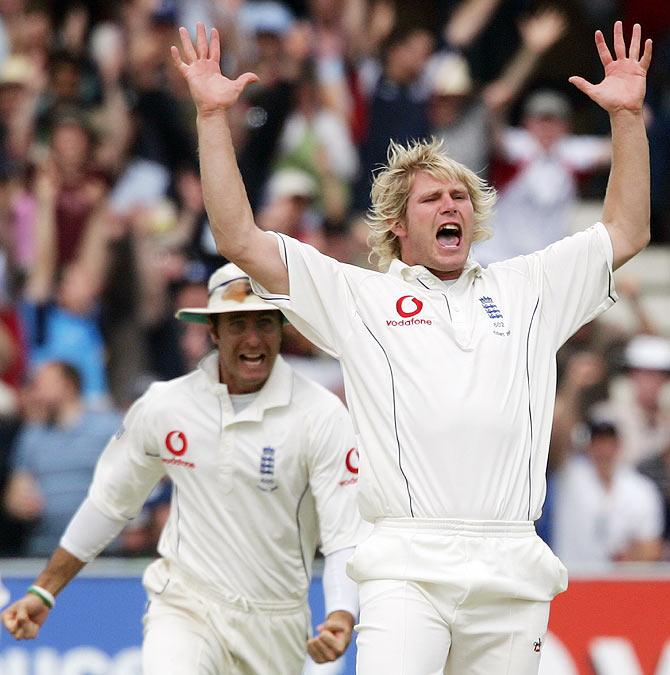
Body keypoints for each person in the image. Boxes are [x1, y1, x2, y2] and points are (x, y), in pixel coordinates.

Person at [171, 20, 652, 674]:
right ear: (398, 224)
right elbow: (239, 238)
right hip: (407, 563)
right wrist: (210, 117)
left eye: (459, 195)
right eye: (432, 197)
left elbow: (626, 229)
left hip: (511, 564)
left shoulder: (529, 285)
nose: (450, 203)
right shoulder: (359, 296)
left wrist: (626, 117)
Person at [2, 263, 366, 674]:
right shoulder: (165, 405)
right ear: (212, 332)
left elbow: (343, 535)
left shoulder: (321, 416)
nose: (253, 338)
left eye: (265, 322)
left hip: (275, 623)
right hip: (185, 604)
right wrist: (45, 590)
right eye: (237, 323)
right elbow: (109, 504)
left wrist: (341, 613)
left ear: (282, 328)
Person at [552, 416, 664, 567]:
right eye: (598, 443)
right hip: (573, 576)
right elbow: (557, 440)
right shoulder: (569, 478)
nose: (604, 449)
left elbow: (651, 547)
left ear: (619, 445)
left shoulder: (640, 489)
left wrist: (631, 554)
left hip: (618, 582)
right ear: (589, 447)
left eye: (609, 442)